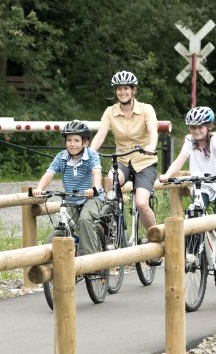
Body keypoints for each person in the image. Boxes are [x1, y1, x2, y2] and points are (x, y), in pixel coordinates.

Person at [90, 70, 159, 232]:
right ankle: (114, 223)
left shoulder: (146, 109)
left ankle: (155, 236)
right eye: (119, 89)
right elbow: (100, 135)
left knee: (142, 203)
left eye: (126, 88)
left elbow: (153, 132)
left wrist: (151, 147)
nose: (122, 92)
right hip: (122, 161)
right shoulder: (110, 112)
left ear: (133, 90)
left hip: (145, 162)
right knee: (109, 181)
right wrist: (90, 152)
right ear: (115, 91)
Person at [32, 120, 104, 255]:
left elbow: (97, 172)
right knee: (62, 223)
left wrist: (94, 189)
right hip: (72, 198)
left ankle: (90, 260)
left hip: (92, 197)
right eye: (69, 140)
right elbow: (49, 173)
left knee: (85, 220)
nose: (72, 144)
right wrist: (39, 188)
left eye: (76, 140)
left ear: (85, 143)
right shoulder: (61, 157)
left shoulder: (91, 155)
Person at [159, 106, 216, 211]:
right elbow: (179, 161)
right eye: (193, 127)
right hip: (201, 186)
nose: (196, 131)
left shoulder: (214, 140)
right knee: (196, 211)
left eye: (200, 127)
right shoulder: (190, 141)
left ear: (208, 126)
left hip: (214, 181)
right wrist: (167, 174)